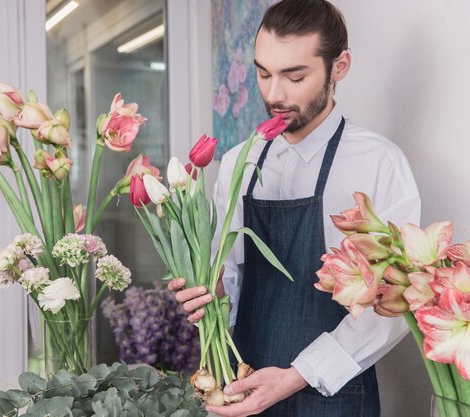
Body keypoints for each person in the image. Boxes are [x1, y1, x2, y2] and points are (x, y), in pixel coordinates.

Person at [168, 0, 421, 416]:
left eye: (295, 75)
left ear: (339, 67)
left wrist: (300, 373)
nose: (274, 94)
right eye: (263, 73)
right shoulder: (237, 162)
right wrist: (206, 295)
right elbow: (227, 273)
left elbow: (394, 305)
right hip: (242, 384)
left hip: (333, 393)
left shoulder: (378, 163)